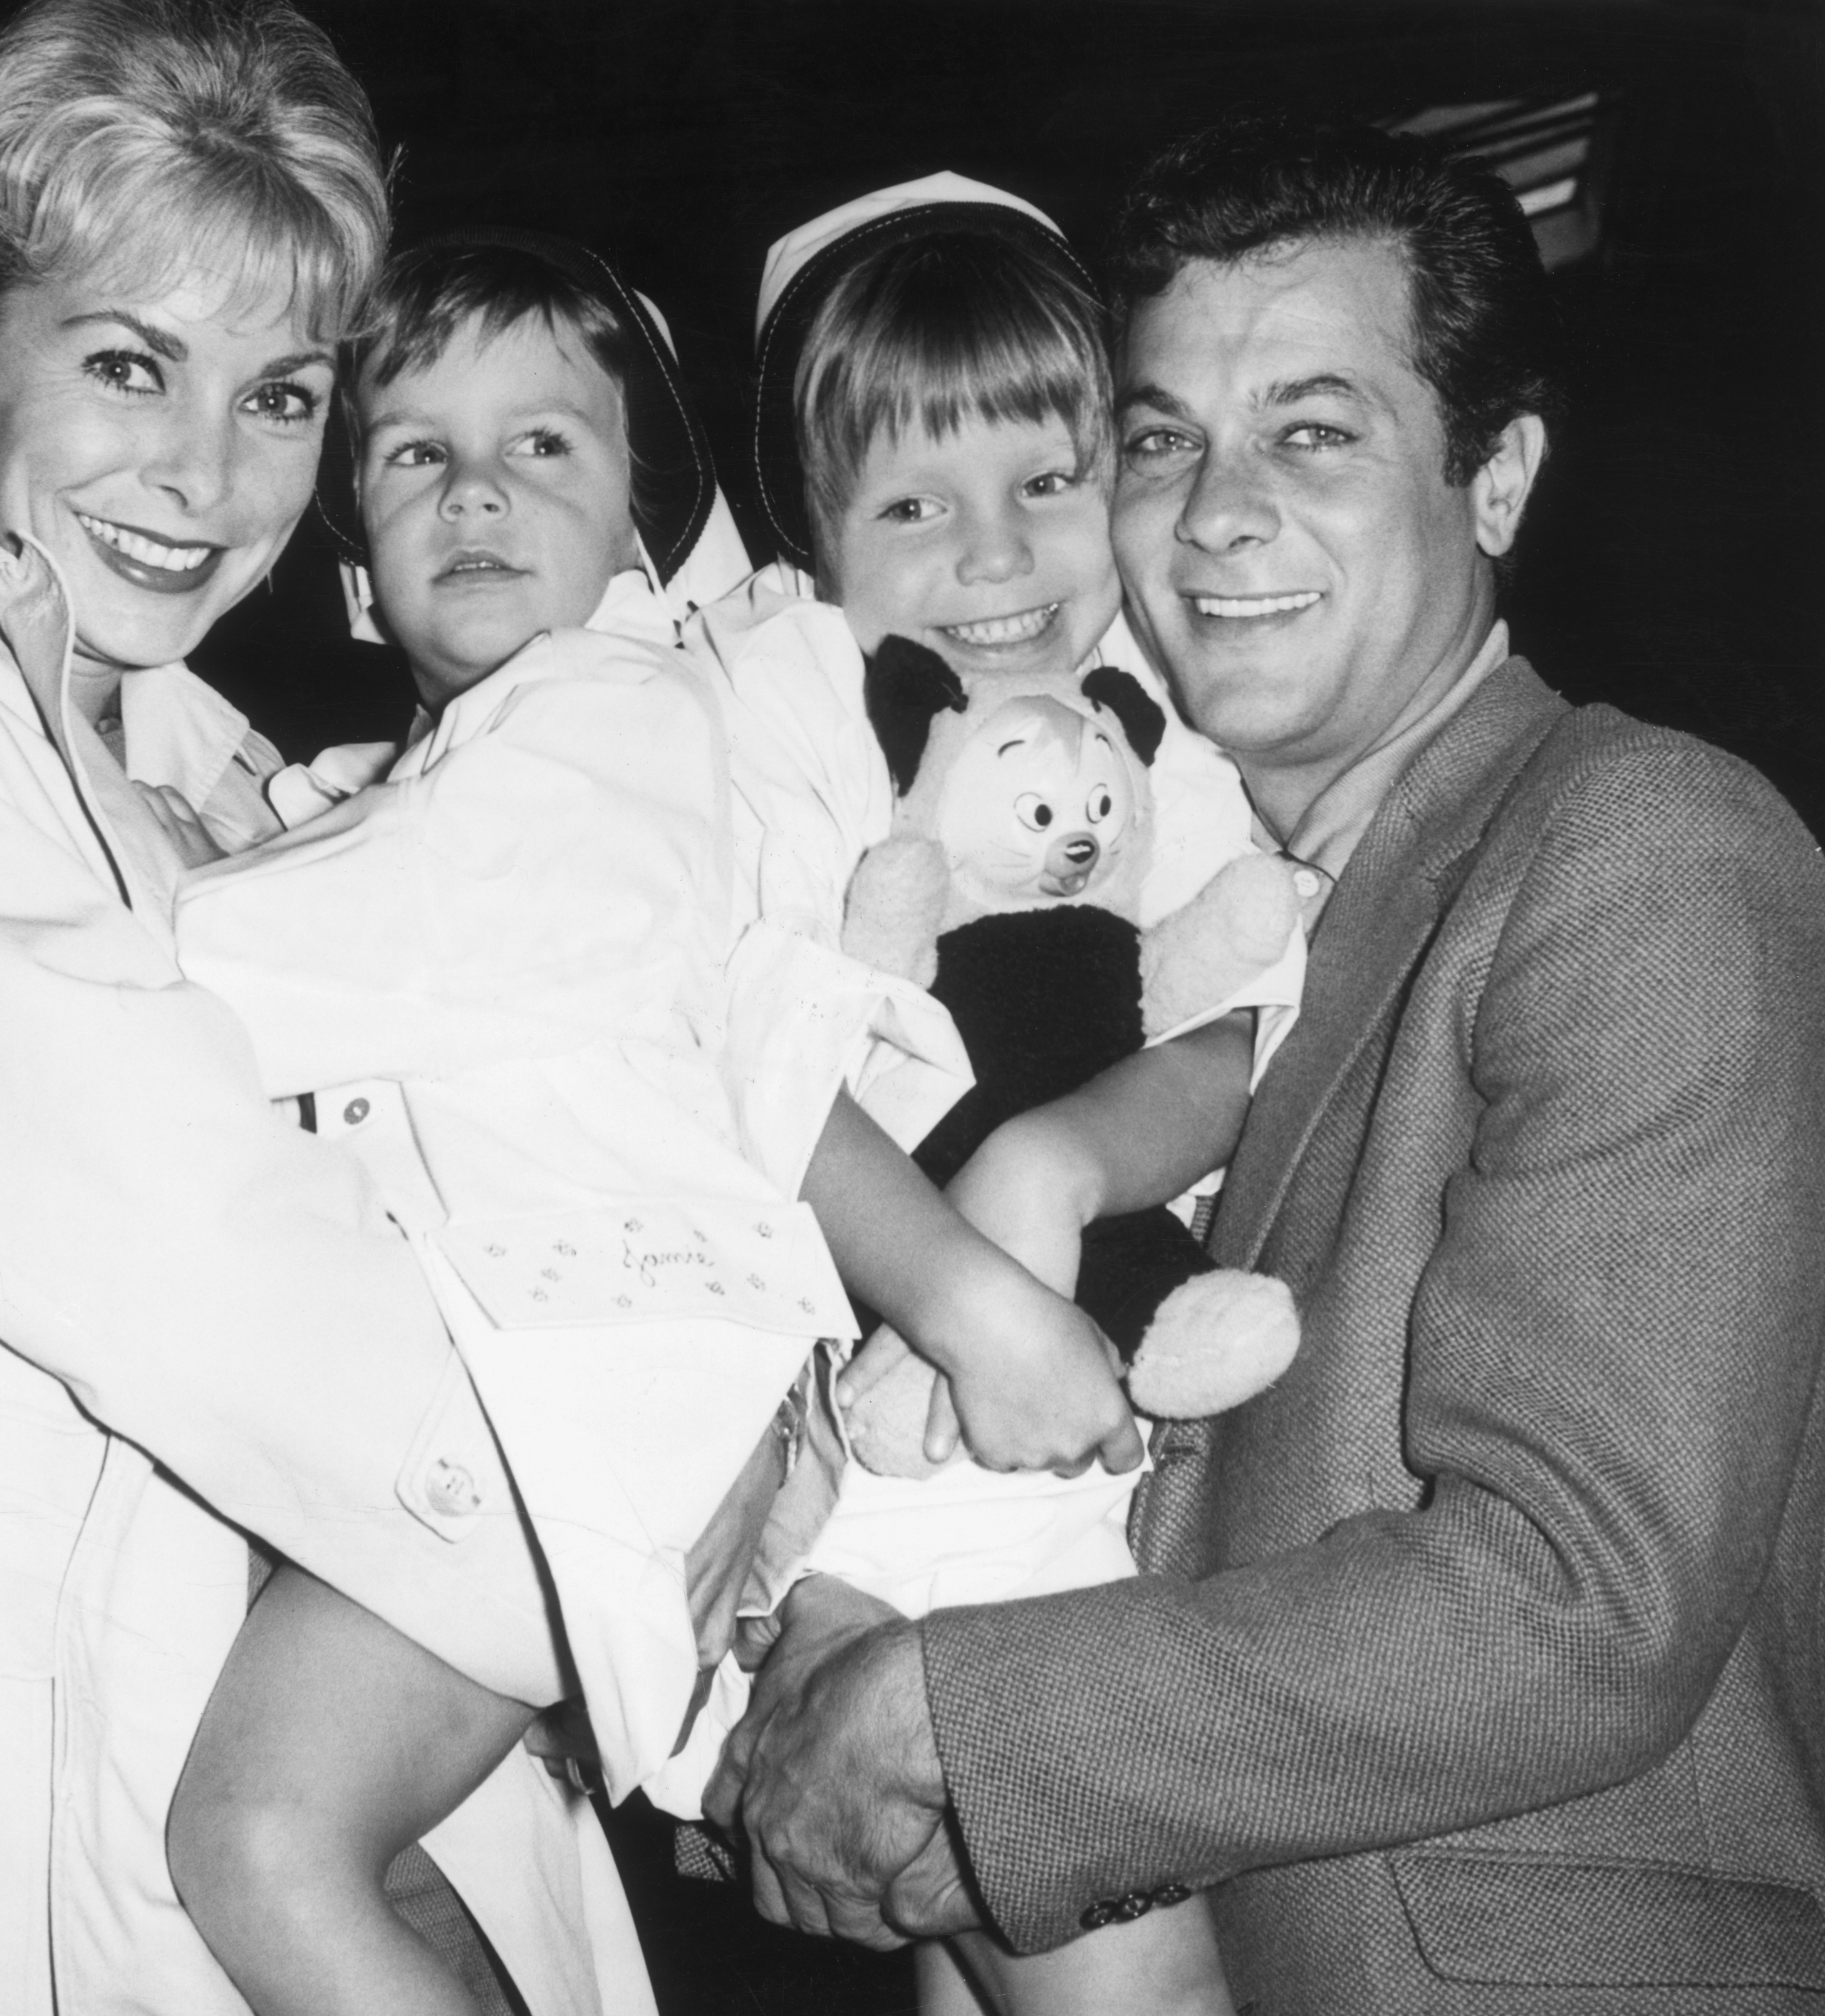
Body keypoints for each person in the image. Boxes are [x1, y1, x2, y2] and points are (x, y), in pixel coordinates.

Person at [707, 112, 1825, 2015]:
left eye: (1315, 430)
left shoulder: (1636, 844)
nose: (1217, 513)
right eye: (1161, 440)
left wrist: (948, 1715)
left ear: (1497, 480)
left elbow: (1580, 1598)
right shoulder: (1193, 914)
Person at [0, 6, 606, 2011]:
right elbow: (148, 1193)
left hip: (349, 1825)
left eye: (283, 394)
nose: (207, 474)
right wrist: (606, 1545)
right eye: (127, 363)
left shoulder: (282, 799)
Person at [159, 229, 1149, 2016]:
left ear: (637, 537)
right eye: (416, 455)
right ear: (364, 588)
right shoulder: (496, 767)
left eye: (545, 445)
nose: (477, 490)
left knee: (262, 1838)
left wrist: (119, 906)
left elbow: (268, 967)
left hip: (583, 1407)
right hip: (610, 1405)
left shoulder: (600, 717)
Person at [682, 174, 1304, 2016]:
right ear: (813, 536)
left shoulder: (1163, 719)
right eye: (913, 506)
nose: (999, 558)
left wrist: (1045, 1170)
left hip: (1077, 1450)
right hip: (850, 1444)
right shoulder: (773, 709)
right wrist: (964, 1286)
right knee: (1136, 1977)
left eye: (1047, 479)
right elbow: (739, 1061)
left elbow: (1249, 1022)